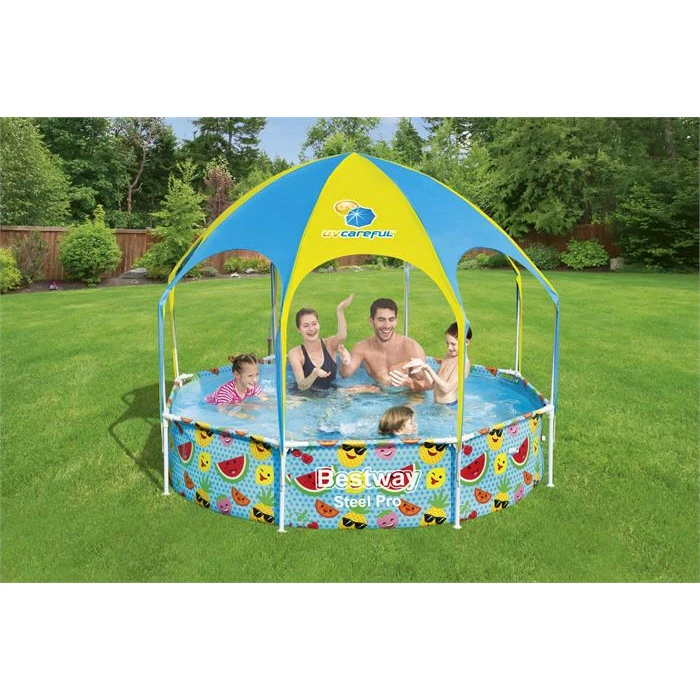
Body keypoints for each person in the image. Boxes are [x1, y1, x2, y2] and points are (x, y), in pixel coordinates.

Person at [338, 298, 432, 391]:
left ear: (396, 321)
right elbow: (345, 374)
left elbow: (428, 385)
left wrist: (409, 383)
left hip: (407, 396)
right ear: (371, 321)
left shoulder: (412, 348)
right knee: (344, 392)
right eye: (381, 320)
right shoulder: (363, 347)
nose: (387, 325)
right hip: (377, 393)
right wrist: (346, 362)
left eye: (391, 319)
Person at [288, 294, 354, 391]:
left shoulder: (329, 344)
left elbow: (342, 336)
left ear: (319, 324)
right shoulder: (295, 353)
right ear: (299, 329)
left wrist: (340, 310)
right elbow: (302, 386)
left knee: (369, 389)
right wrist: (314, 374)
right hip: (306, 397)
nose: (311, 329)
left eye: (314, 324)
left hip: (331, 394)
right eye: (306, 326)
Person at [403, 322, 472, 405]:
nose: (449, 348)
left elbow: (446, 389)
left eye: (453, 344)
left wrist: (428, 368)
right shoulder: (448, 356)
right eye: (447, 343)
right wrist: (423, 367)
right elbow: (433, 382)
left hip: (447, 406)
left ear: (466, 342)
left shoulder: (462, 363)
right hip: (436, 403)